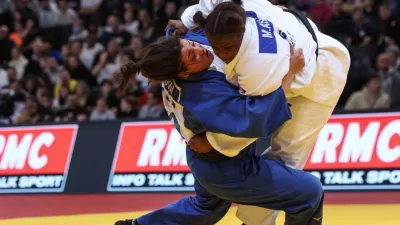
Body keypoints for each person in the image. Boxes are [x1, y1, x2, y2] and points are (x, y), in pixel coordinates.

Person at [114, 30, 323, 225]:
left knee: (206, 208)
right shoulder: (203, 95)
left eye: (192, 44)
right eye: (192, 57)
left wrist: (184, 25)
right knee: (309, 193)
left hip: (201, 158)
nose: (200, 50)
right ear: (183, 74)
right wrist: (290, 74)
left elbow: (190, 29)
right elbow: (256, 119)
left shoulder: (177, 55)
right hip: (226, 169)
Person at [169, 1, 350, 224]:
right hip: (294, 34)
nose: (213, 53)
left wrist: (214, 142)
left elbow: (256, 120)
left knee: (286, 161)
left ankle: (254, 222)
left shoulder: (257, 69)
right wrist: (186, 23)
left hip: (321, 69)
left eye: (224, 49)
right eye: (212, 46)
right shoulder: (226, 14)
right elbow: (203, 9)